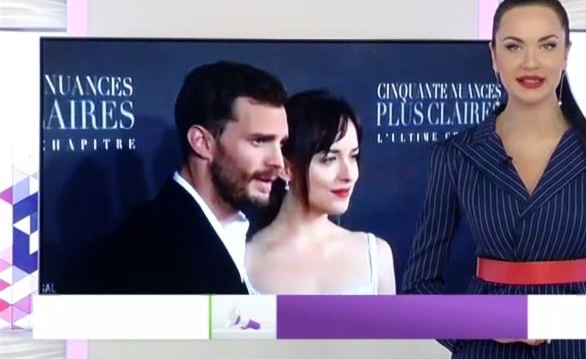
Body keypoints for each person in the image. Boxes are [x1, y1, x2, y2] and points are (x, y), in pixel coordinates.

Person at [401, 0, 586, 358]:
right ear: (494, 56)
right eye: (514, 46)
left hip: (584, 347)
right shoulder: (456, 155)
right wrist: (484, 322)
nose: (530, 62)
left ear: (566, 53)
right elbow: (418, 288)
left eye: (546, 45)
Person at [100, 61, 288, 294]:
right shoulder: (146, 252)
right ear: (202, 143)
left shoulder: (249, 236)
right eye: (258, 141)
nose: (278, 162)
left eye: (281, 144)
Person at [244, 90, 396, 295]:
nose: (349, 175)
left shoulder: (376, 256)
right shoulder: (246, 262)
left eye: (353, 156)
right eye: (329, 159)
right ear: (286, 168)